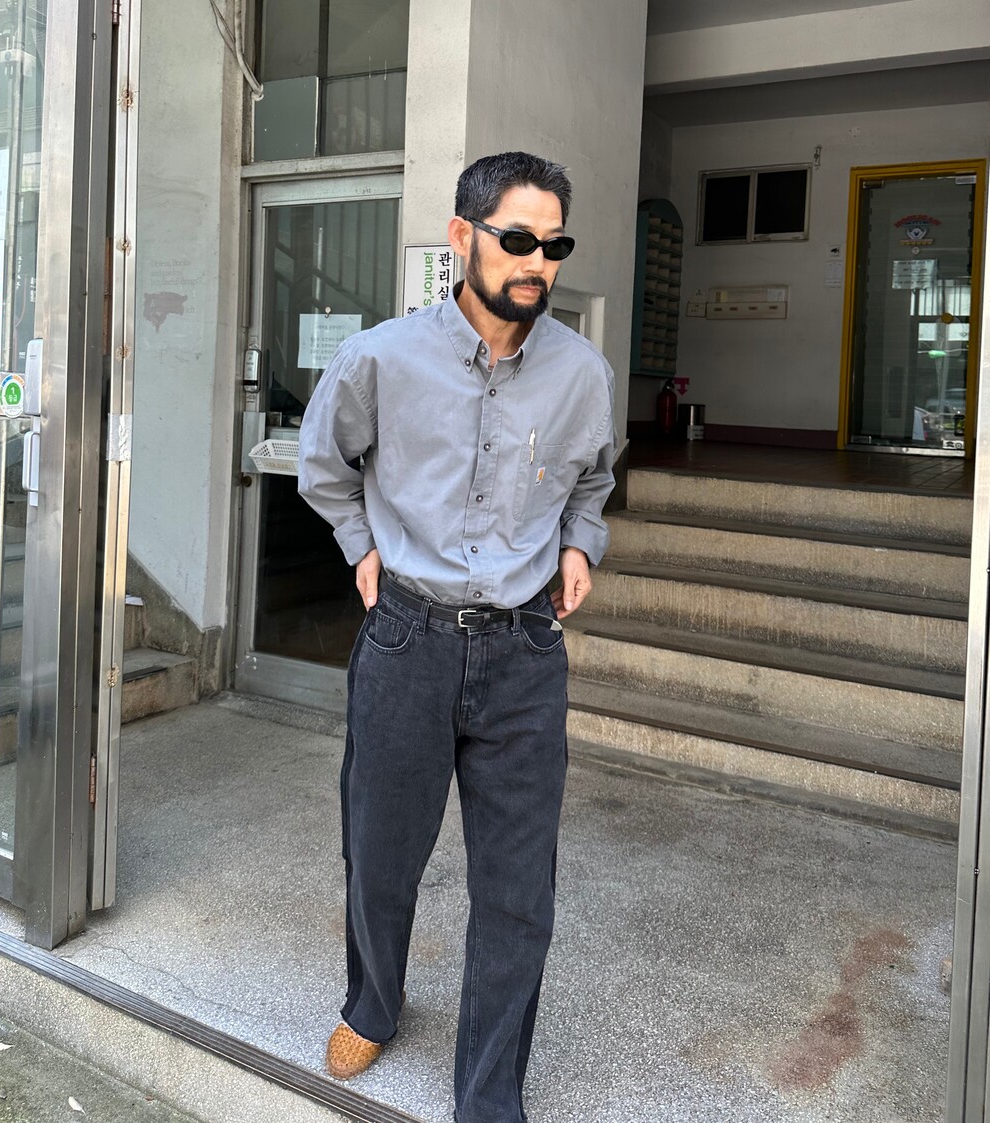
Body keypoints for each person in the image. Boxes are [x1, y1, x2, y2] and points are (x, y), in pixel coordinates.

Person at [298, 150, 616, 1123]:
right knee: (380, 851)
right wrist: (361, 547)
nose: (537, 262)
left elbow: (593, 478)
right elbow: (324, 464)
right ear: (462, 237)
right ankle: (373, 1002)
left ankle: (488, 1094)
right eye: (517, 239)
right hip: (407, 638)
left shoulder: (582, 373)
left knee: (518, 885)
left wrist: (581, 543)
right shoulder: (381, 358)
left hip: (524, 650)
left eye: (553, 245)